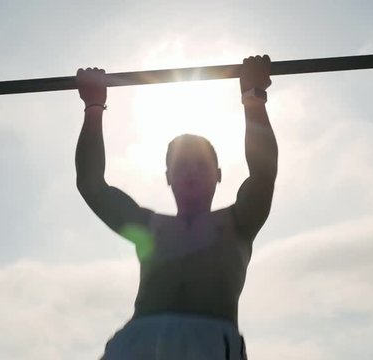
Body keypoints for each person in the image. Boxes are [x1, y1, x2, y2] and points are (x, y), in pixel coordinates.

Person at [75, 55, 277, 360]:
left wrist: (253, 97)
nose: (191, 171)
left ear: (219, 174)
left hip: (210, 343)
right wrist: (93, 106)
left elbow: (263, 173)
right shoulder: (149, 229)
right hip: (140, 344)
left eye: (200, 164)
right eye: (182, 165)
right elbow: (91, 184)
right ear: (168, 177)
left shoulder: (239, 222)